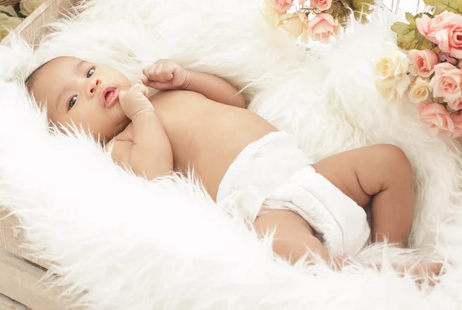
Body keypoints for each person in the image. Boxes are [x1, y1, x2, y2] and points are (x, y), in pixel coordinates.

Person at [26, 56, 442, 278]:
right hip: (265, 205)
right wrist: (143, 115)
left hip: (307, 173)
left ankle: (391, 257)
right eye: (73, 101)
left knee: (390, 161)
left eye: (89, 70)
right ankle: (353, 278)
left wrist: (187, 79)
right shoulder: (121, 142)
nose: (91, 84)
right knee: (281, 241)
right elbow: (154, 174)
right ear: (70, 136)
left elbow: (235, 102)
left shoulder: (156, 92)